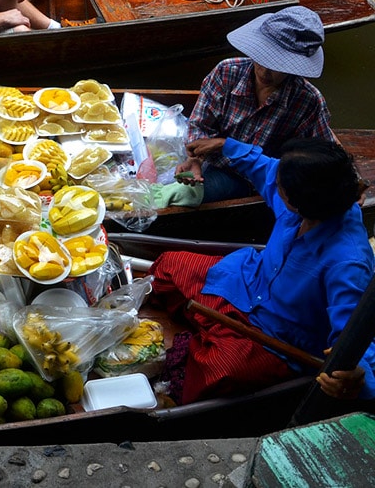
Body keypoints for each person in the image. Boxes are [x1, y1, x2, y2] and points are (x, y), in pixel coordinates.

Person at [151, 137, 375, 406]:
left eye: (279, 186)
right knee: (168, 266)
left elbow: (354, 336)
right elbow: (264, 166)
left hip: (275, 338)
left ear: (294, 201)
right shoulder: (308, 196)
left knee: (218, 371)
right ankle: (209, 334)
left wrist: (355, 377)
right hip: (245, 283)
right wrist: (225, 145)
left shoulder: (348, 262)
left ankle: (210, 339)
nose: (273, 183)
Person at [175, 6, 334, 203]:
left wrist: (352, 182)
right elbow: (200, 124)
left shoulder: (308, 101)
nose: (266, 72)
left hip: (258, 179)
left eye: (278, 66)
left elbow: (324, 156)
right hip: (214, 160)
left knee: (186, 197)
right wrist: (195, 159)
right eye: (263, 58)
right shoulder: (226, 72)